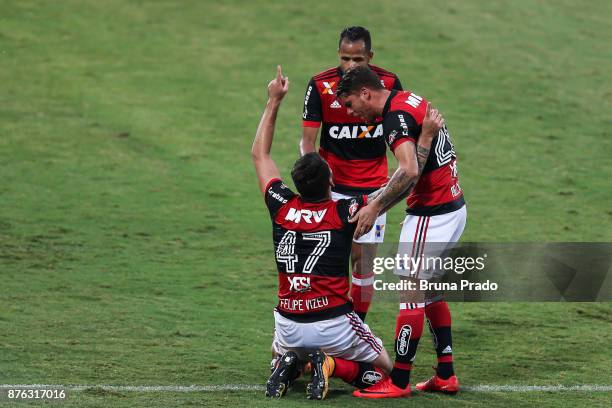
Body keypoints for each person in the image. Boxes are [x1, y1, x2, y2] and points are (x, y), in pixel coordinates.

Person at [253, 66, 394, 400]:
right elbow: (393, 187)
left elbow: (260, 155)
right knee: (385, 370)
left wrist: (273, 101)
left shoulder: (281, 205)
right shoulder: (345, 210)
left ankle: (289, 361)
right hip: (332, 322)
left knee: (286, 347)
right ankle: (329, 364)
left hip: (287, 323)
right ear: (331, 183)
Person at [336, 66, 466, 398]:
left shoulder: (393, 117)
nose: (352, 113)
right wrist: (376, 201)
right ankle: (446, 373)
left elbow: (408, 171)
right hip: (452, 206)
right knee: (431, 291)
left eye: (350, 104)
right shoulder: (407, 100)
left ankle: (399, 381)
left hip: (431, 213)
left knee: (410, 292)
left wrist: (376, 207)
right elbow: (412, 171)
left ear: (365, 93)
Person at [300, 26, 403, 322]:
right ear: (338, 55)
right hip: (331, 189)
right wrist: (314, 179)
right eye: (345, 58)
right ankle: (324, 323)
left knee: (363, 263)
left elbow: (400, 128)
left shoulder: (389, 82)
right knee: (327, 261)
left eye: (358, 59)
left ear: (369, 56)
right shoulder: (320, 85)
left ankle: (356, 330)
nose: (351, 66)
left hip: (372, 190)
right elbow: (308, 140)